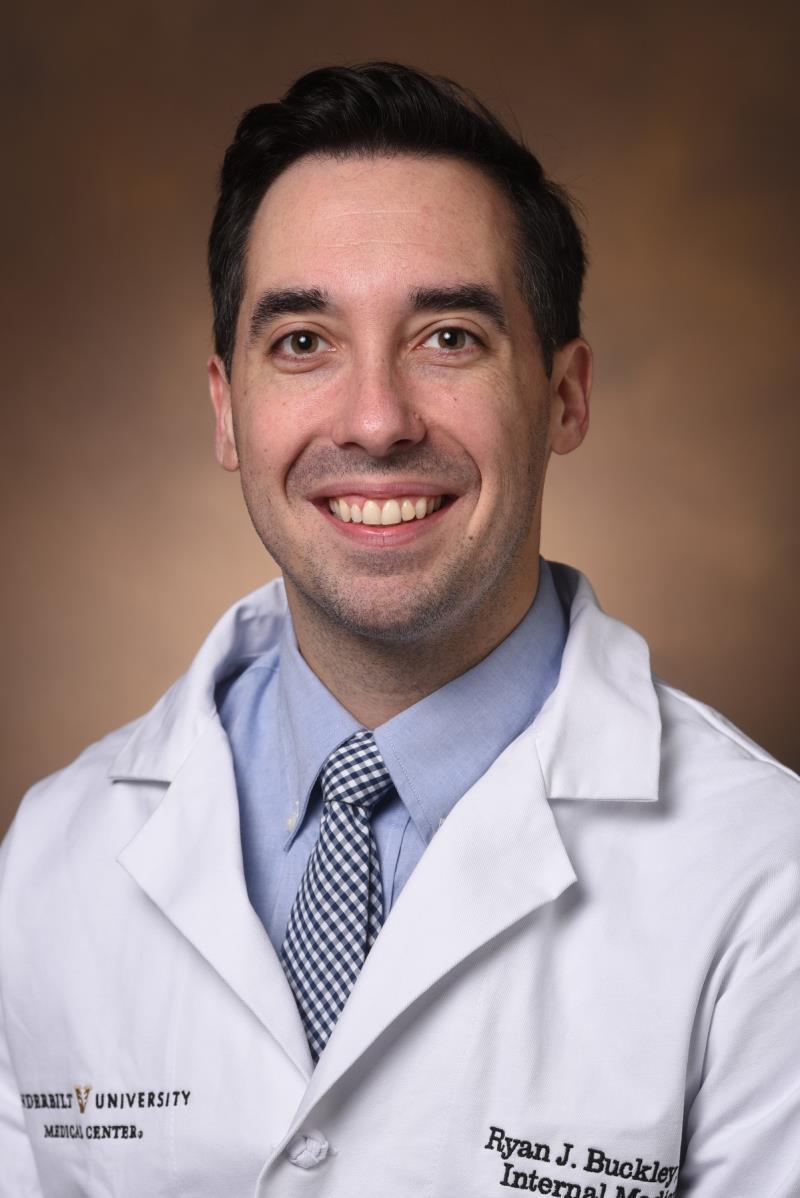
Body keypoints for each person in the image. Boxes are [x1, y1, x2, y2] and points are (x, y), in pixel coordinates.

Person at [0, 62, 797, 1198]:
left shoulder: (764, 874)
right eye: (303, 342)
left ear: (563, 396)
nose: (375, 421)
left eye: (449, 337)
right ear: (227, 410)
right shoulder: (51, 856)